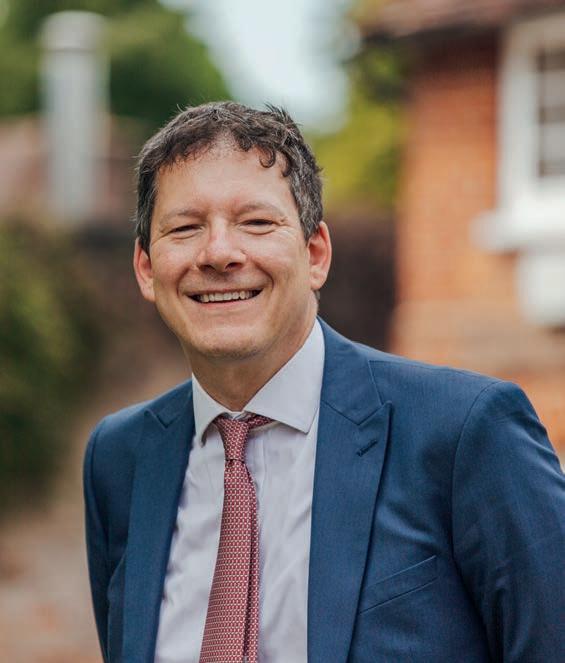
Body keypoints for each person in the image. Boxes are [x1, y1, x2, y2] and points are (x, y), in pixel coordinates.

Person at [84, 101, 565, 663]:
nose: (218, 253)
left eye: (256, 222)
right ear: (146, 268)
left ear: (315, 254)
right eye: (185, 228)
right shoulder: (119, 459)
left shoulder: (465, 433)